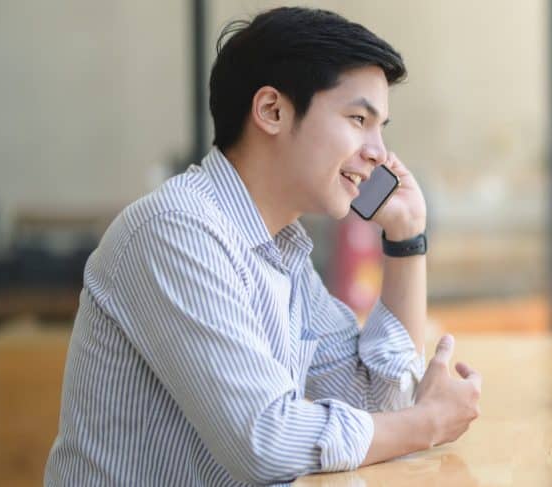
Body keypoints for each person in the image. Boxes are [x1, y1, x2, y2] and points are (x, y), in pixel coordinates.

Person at [45, 7, 481, 485]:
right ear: (272, 111)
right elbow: (267, 443)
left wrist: (406, 237)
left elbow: (376, 404)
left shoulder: (283, 252)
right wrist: (426, 423)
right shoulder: (175, 230)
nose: (379, 152)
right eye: (359, 118)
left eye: (381, 128)